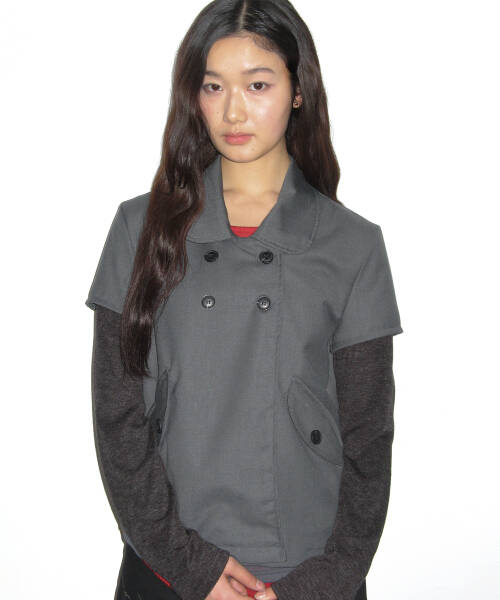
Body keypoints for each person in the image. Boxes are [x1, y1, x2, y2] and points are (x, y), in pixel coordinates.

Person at [85, 1, 403, 599]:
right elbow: (117, 418)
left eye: (258, 85)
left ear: (298, 90)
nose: (233, 111)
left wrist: (320, 583)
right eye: (214, 87)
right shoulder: (139, 228)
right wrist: (191, 566)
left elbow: (369, 439)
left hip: (306, 566)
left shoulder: (352, 244)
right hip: (169, 566)